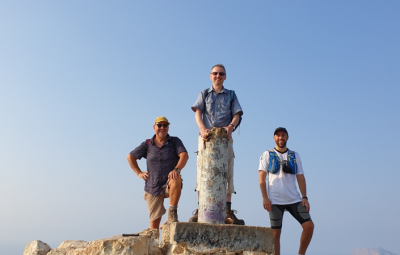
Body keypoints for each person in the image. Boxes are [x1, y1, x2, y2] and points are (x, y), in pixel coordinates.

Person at [189, 64, 244, 225]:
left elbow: (237, 114)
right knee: (202, 173)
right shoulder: (204, 94)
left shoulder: (232, 95)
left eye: (221, 74)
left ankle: (227, 210)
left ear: (225, 77)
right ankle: (201, 209)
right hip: (206, 137)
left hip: (225, 138)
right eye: (215, 73)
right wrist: (202, 129)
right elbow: (198, 112)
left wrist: (231, 127)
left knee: (228, 172)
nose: (218, 76)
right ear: (210, 75)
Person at [126, 116, 189, 239]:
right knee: (153, 228)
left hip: (169, 183)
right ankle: (154, 247)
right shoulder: (147, 144)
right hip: (152, 186)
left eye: (165, 125)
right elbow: (130, 157)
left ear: (168, 128)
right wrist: (139, 173)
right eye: (159, 125)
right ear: (154, 127)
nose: (162, 128)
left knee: (176, 177)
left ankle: (172, 214)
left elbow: (184, 156)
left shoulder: (175, 141)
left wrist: (177, 169)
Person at [258, 127, 314, 255]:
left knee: (309, 226)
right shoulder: (266, 154)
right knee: (275, 233)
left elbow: (300, 177)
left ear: (287, 138)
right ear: (274, 138)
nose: (280, 138)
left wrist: (304, 197)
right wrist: (265, 197)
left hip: (294, 199)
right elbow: (261, 178)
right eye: (278, 135)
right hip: (275, 200)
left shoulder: (295, 155)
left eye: (283, 135)